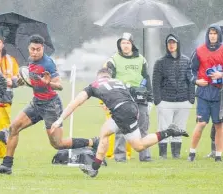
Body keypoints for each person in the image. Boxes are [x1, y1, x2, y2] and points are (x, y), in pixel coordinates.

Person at [0, 35, 99, 175]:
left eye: (38, 50)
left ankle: (92, 142)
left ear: (43, 49)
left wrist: (49, 83)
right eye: (32, 49)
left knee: (57, 144)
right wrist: (13, 82)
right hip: (36, 103)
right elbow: (27, 79)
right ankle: (7, 165)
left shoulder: (48, 63)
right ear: (29, 48)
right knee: (14, 128)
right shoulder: (30, 60)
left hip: (51, 106)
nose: (35, 52)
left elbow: (59, 86)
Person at [51, 68, 188, 178]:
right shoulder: (118, 81)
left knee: (139, 146)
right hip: (129, 109)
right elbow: (132, 93)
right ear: (109, 77)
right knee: (104, 132)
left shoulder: (93, 85)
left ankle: (170, 131)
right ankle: (94, 168)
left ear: (98, 77)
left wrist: (60, 119)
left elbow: (76, 102)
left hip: (122, 112)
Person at [103, 32, 153, 162]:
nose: (125, 46)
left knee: (143, 127)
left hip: (140, 96)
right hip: (122, 97)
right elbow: (108, 79)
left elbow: (146, 78)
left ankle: (145, 156)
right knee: (121, 128)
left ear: (132, 44)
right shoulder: (113, 60)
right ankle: (120, 156)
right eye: (123, 43)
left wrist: (151, 98)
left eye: (128, 43)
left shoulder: (141, 59)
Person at [152, 34, 195, 159]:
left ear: (178, 44)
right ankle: (163, 155)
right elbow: (156, 83)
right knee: (164, 128)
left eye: (173, 43)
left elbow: (190, 81)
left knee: (180, 128)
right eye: (169, 43)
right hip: (165, 101)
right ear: (166, 45)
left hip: (183, 101)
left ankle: (176, 154)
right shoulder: (160, 62)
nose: (171, 45)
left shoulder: (187, 61)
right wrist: (158, 101)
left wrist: (191, 99)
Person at [187, 24, 223, 162]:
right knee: (201, 123)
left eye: (215, 33)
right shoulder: (199, 50)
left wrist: (221, 74)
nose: (212, 36)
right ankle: (191, 153)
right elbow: (190, 70)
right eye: (210, 33)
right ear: (207, 35)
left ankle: (218, 155)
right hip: (203, 92)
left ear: (219, 35)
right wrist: (196, 81)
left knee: (219, 125)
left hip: (219, 93)